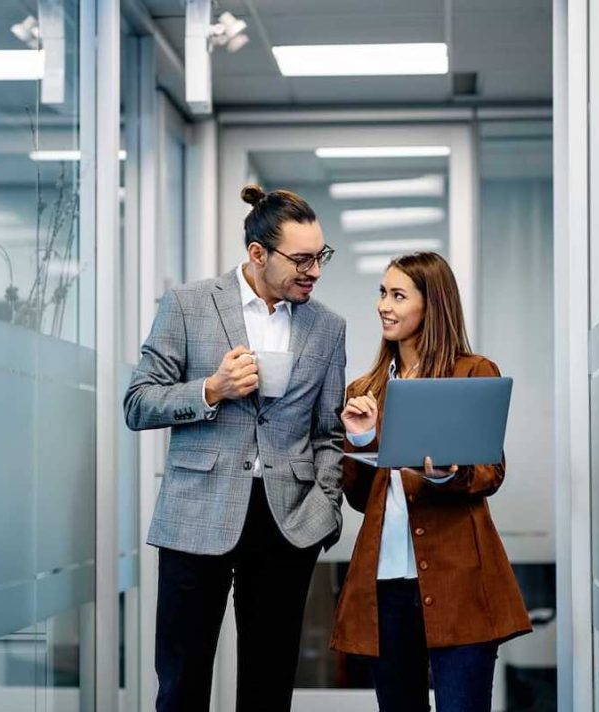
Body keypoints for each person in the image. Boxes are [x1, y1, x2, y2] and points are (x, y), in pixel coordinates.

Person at [124, 184, 346, 712]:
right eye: (301, 259)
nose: (314, 270)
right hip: (196, 517)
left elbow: (329, 434)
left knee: (268, 691)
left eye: (321, 257)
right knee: (182, 685)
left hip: (287, 523)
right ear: (257, 254)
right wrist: (211, 389)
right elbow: (138, 403)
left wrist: (325, 510)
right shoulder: (188, 304)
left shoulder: (328, 326)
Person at [330, 252, 531, 712]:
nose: (385, 305)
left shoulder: (472, 372)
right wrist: (359, 440)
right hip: (386, 584)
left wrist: (448, 474)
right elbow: (363, 499)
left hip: (460, 581)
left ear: (432, 305)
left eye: (398, 295)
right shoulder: (366, 387)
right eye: (382, 293)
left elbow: (490, 471)